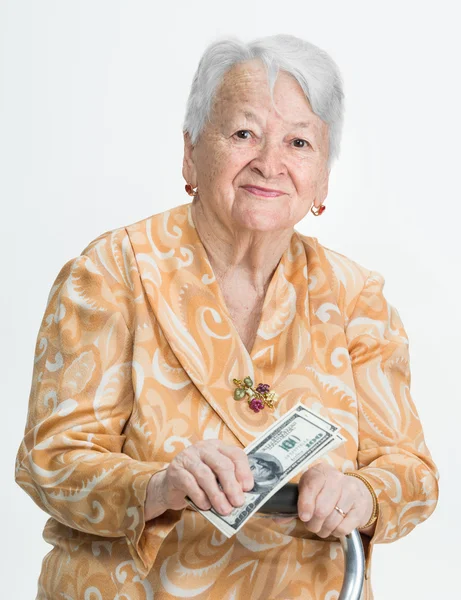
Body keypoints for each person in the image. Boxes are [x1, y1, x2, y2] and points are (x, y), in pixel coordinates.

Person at [14, 34, 439, 599]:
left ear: (324, 177)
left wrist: (362, 495)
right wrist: (158, 485)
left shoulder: (357, 296)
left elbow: (412, 474)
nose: (270, 163)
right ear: (191, 151)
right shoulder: (112, 272)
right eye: (244, 134)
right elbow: (51, 461)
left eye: (299, 143)